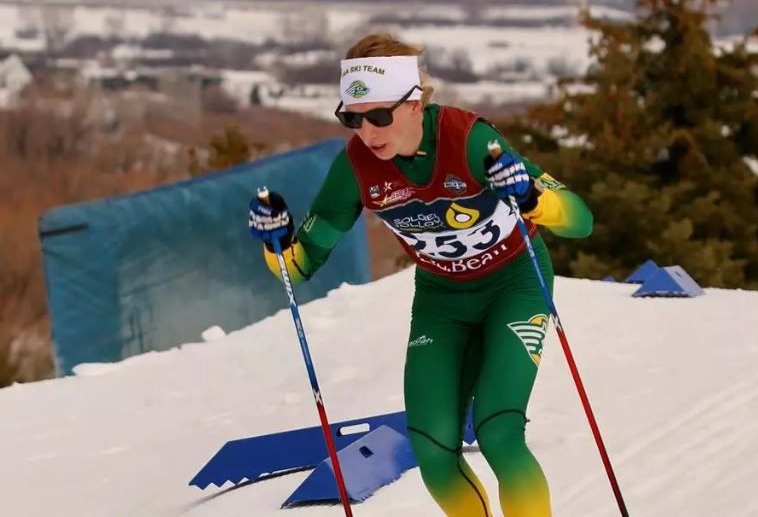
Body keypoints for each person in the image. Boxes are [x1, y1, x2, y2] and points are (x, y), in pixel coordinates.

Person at [248, 32, 593, 517]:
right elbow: (300, 265)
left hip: (513, 286)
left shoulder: (469, 138)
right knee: (433, 451)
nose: (367, 131)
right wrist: (276, 242)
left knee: (498, 432)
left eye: (379, 115)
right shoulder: (357, 166)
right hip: (442, 300)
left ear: (414, 102)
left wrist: (535, 198)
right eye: (353, 117)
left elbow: (580, 220)